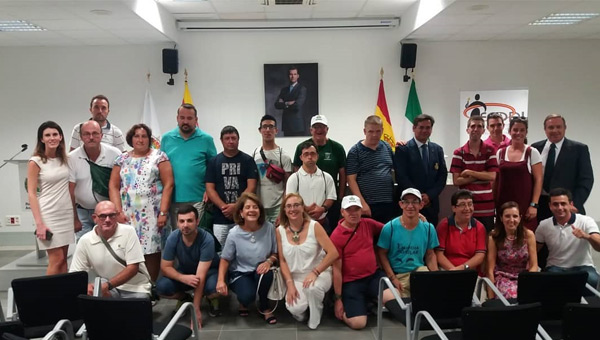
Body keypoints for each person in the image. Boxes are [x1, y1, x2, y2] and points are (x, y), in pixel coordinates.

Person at [109, 123, 174, 281]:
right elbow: (113, 186)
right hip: (127, 215)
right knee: (128, 250)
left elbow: (169, 184)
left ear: (149, 139)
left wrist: (164, 212)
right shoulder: (122, 159)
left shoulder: (159, 157)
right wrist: (117, 212)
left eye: (144, 136)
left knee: (151, 251)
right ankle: (131, 286)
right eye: (137, 136)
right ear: (131, 139)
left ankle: (150, 287)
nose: (140, 139)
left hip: (153, 214)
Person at [330, 195, 396, 330]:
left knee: (395, 300)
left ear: (361, 211)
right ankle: (347, 307)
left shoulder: (367, 224)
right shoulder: (336, 236)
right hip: (351, 282)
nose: (353, 213)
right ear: (342, 212)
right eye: (349, 210)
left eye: (356, 209)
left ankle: (369, 301)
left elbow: (391, 228)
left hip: (373, 276)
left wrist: (416, 219)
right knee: (358, 323)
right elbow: (336, 269)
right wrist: (338, 299)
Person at [277, 193, 339, 329]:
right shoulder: (280, 230)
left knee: (312, 288)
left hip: (319, 272)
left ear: (302, 208)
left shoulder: (314, 226)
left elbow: (333, 253)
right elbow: (282, 260)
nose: (292, 209)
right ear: (284, 210)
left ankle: (315, 315)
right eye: (288, 206)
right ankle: (305, 310)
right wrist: (290, 284)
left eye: (296, 205)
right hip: (296, 277)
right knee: (294, 309)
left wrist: (315, 272)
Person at [215, 193, 278, 324]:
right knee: (247, 296)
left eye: (255, 207)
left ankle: (265, 306)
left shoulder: (269, 228)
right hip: (240, 272)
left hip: (261, 270)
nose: (251, 210)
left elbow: (275, 253)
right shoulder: (234, 233)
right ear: (241, 213)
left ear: (260, 211)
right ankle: (243, 302)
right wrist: (221, 280)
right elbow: (225, 258)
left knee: (267, 274)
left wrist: (268, 261)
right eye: (247, 207)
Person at [70, 201, 151, 298]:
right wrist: (85, 286)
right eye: (102, 216)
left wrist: (108, 285)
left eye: (111, 215)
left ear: (117, 216)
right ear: (94, 218)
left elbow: (133, 268)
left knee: (139, 303)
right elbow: (75, 274)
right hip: (106, 285)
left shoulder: (129, 232)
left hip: (135, 286)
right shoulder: (85, 240)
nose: (107, 220)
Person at [156, 204, 220, 327]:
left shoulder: (207, 239)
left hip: (208, 273)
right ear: (178, 223)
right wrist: (182, 278)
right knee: (161, 288)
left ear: (197, 221)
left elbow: (200, 277)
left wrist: (195, 310)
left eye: (189, 221)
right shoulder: (173, 237)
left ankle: (210, 298)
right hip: (185, 272)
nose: (185, 225)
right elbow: (165, 267)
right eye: (182, 221)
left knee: (214, 289)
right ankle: (185, 298)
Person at [29, 121, 78, 274]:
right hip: (48, 214)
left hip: (65, 213)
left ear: (61, 137)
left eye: (55, 134)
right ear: (41, 139)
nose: (52, 138)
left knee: (63, 259)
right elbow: (31, 193)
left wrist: (75, 217)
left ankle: (63, 296)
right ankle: (47, 296)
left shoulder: (66, 159)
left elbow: (71, 189)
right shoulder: (35, 161)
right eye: (47, 135)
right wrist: (39, 224)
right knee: (56, 259)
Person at [161, 103, 217, 228]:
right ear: (177, 118)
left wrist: (209, 189)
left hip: (198, 198)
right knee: (177, 236)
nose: (185, 121)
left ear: (196, 120)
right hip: (173, 198)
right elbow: (161, 167)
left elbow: (213, 168)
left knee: (196, 235)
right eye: (182, 118)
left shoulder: (206, 139)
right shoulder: (166, 138)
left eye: (189, 118)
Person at [377, 188, 439, 298]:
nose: (410, 206)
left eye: (415, 202)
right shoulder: (389, 228)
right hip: (397, 274)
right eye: (406, 202)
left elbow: (430, 254)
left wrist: (436, 276)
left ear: (421, 204)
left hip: (418, 272)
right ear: (401, 204)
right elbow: (382, 253)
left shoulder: (429, 228)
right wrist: (393, 278)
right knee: (403, 306)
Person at [535, 188, 600, 291]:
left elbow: (599, 246)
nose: (560, 208)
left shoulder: (586, 221)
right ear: (550, 206)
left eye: (563, 204)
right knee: (547, 283)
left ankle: (589, 307)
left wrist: (586, 236)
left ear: (571, 204)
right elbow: (534, 250)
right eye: (555, 204)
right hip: (555, 268)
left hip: (583, 267)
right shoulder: (544, 225)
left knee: (594, 280)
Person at [531, 114, 594, 221]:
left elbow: (586, 180)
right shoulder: (535, 148)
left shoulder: (579, 149)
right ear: (545, 129)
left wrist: (574, 204)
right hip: (539, 206)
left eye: (558, 127)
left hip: (566, 207)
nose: (555, 130)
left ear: (565, 128)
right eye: (551, 127)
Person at [205, 126, 258, 247]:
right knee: (222, 252)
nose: (230, 141)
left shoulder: (248, 160)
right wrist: (224, 207)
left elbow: (252, 186)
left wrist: (236, 206)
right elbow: (209, 189)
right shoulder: (214, 162)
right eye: (227, 138)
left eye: (233, 138)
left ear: (238, 139)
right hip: (220, 217)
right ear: (221, 140)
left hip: (242, 215)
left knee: (244, 249)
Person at [69, 120, 121, 240]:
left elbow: (120, 186)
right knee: (84, 246)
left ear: (101, 136)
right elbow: (70, 190)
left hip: (108, 214)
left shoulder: (114, 154)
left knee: (110, 246)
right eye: (86, 134)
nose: (91, 137)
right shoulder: (72, 158)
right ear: (81, 137)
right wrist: (74, 218)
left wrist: (118, 212)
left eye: (95, 133)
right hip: (82, 212)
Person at [293, 115, 346, 227]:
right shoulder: (301, 147)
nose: (319, 130)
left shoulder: (337, 148)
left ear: (327, 129)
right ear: (311, 130)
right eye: (315, 127)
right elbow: (296, 172)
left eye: (322, 127)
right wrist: (302, 206)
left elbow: (343, 174)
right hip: (306, 203)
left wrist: (340, 198)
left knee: (330, 233)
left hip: (331, 200)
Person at [395, 114, 447, 225]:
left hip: (431, 204)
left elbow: (442, 176)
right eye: (421, 127)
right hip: (410, 204)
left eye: (428, 128)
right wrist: (417, 197)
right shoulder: (403, 149)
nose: (424, 130)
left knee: (429, 236)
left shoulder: (437, 149)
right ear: (414, 128)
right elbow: (401, 176)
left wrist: (429, 196)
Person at [450, 115, 499, 232]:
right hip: (465, 207)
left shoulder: (490, 150)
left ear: (483, 130)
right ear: (467, 130)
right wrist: (481, 174)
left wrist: (468, 172)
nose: (476, 129)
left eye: (479, 126)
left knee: (486, 240)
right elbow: (457, 181)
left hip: (486, 207)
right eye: (473, 126)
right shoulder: (459, 152)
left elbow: (492, 176)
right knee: (466, 239)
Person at [494, 117, 542, 230]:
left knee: (526, 239)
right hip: (503, 204)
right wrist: (494, 203)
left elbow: (539, 180)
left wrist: (534, 205)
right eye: (515, 130)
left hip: (525, 207)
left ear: (526, 132)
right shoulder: (500, 153)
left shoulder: (532, 152)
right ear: (510, 131)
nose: (518, 133)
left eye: (522, 130)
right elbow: (495, 180)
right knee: (502, 238)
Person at [346, 115, 395, 224]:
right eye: (371, 131)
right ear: (364, 131)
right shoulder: (355, 151)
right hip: (368, 205)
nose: (374, 135)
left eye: (378, 131)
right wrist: (362, 204)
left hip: (388, 202)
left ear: (382, 130)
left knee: (387, 237)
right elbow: (351, 180)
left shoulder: (387, 147)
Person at [487, 201, 538, 299]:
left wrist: (528, 283)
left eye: (515, 216)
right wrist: (491, 295)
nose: (511, 220)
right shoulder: (494, 237)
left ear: (520, 217)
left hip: (524, 277)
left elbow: (534, 265)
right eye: (507, 216)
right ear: (501, 218)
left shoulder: (529, 235)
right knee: (512, 295)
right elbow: (490, 268)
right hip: (503, 277)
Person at [286, 140, 336, 233]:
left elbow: (331, 197)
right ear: (301, 157)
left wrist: (322, 209)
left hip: (322, 223)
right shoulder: (294, 178)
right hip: (300, 224)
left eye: (313, 154)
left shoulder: (327, 177)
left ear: (317, 156)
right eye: (306, 154)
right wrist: (305, 209)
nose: (310, 157)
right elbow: (290, 200)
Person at [252, 115, 293, 224]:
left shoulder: (284, 156)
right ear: (260, 130)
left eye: (271, 127)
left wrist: (283, 209)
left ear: (276, 130)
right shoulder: (254, 155)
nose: (268, 130)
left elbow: (288, 185)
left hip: (278, 205)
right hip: (259, 205)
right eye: (265, 127)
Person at [435, 190, 487, 272]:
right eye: (462, 205)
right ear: (454, 208)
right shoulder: (444, 225)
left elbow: (480, 255)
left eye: (470, 204)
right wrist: (453, 270)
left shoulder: (479, 227)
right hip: (447, 270)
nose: (467, 208)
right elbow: (439, 254)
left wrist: (462, 268)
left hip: (469, 270)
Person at [274, 66, 307, 137]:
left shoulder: (302, 89)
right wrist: (288, 103)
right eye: (291, 74)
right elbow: (277, 104)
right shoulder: (284, 90)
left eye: (295, 74)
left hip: (297, 125)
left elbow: (297, 105)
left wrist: (284, 103)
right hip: (286, 124)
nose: (293, 76)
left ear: (298, 76)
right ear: (288, 76)